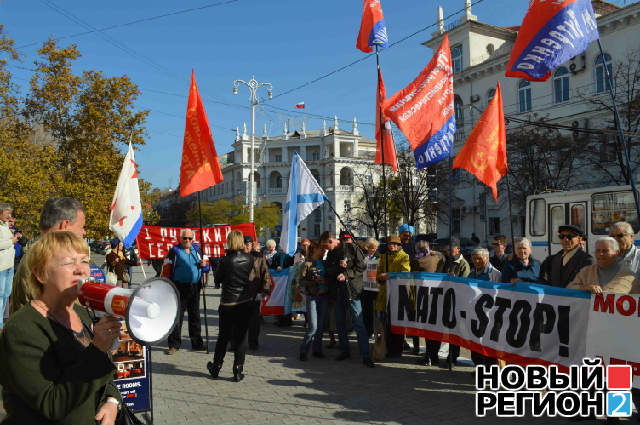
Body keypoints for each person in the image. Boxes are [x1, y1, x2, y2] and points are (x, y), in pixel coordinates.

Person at [0, 231, 122, 424]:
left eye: (84, 261)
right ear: (40, 273)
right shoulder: (22, 329)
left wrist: (112, 400)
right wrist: (98, 348)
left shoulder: (82, 314)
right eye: (68, 262)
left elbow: (103, 372)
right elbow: (51, 404)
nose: (81, 270)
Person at [208, 230, 270, 381]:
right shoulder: (249, 259)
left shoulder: (225, 260)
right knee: (241, 337)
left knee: (224, 336)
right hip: (244, 301)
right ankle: (237, 369)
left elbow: (217, 279)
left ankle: (216, 366)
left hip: (228, 302)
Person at [10, 197, 86, 316]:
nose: (84, 233)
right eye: (81, 227)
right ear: (65, 225)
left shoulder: (38, 254)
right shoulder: (43, 258)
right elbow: (64, 311)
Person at [329, 231, 374, 367]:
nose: (345, 241)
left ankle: (366, 355)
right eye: (343, 239)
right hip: (338, 292)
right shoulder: (333, 252)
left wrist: (347, 273)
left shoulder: (354, 249)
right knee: (340, 323)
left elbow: (362, 267)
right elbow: (329, 269)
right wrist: (338, 267)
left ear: (351, 239)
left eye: (347, 239)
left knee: (358, 323)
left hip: (352, 291)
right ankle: (345, 350)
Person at [162, 228, 209, 354]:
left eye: (190, 238)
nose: (187, 240)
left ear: (192, 239)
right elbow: (166, 270)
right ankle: (174, 344)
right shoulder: (174, 251)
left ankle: (197, 343)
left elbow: (207, 266)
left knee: (195, 316)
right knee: (177, 316)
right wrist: (166, 286)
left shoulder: (197, 250)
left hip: (195, 286)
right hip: (179, 287)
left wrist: (205, 266)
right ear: (180, 238)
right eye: (185, 238)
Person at [375, 235, 411, 357]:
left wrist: (389, 275)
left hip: (397, 295)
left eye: (394, 244)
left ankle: (396, 350)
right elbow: (378, 274)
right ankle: (386, 347)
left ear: (399, 245)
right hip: (384, 295)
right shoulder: (383, 257)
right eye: (390, 244)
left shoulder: (404, 256)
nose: (392, 246)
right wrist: (380, 277)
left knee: (397, 324)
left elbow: (405, 274)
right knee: (385, 324)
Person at [412, 240, 446, 366]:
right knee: (434, 328)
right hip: (434, 296)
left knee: (429, 328)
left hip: (427, 297)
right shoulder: (438, 257)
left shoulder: (417, 260)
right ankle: (432, 355)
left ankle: (430, 355)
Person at [567, 237, 640, 294]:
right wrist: (586, 287)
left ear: (616, 252)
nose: (600, 254)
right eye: (598, 250)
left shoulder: (628, 275)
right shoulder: (586, 272)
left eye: (605, 251)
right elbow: (569, 289)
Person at [468, 247, 501, 367]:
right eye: (474, 259)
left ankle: (491, 370)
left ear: (486, 259)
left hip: (489, 315)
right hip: (474, 314)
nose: (476, 261)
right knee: (475, 344)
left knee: (488, 345)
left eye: (479, 259)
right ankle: (479, 367)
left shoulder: (495, 274)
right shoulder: (472, 273)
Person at [441, 238, 470, 365]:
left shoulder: (463, 264)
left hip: (458, 301)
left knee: (456, 329)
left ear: (458, 249)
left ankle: (453, 356)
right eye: (447, 250)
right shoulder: (446, 262)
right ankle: (450, 354)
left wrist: (455, 280)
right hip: (447, 299)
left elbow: (465, 283)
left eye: (451, 249)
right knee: (449, 329)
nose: (448, 252)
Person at [299, 242, 329, 360]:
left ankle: (317, 350)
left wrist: (324, 280)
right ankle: (304, 350)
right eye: (320, 249)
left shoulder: (325, 263)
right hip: (312, 296)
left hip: (324, 296)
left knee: (320, 326)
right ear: (314, 250)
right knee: (313, 327)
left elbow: (329, 278)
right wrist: (315, 282)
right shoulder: (306, 264)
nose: (322, 251)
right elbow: (301, 282)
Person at [246, 236, 270, 350]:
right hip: (241, 294)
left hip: (255, 293)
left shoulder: (260, 259)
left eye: (249, 244)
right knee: (239, 320)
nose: (247, 246)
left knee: (255, 320)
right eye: (245, 244)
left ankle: (253, 342)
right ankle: (235, 342)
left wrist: (265, 289)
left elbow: (266, 274)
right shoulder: (239, 257)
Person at [0, 203, 16, 328]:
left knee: (6, 294)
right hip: (1, 266)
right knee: (0, 295)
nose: (10, 216)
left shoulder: (5, 226)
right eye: (7, 213)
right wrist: (11, 241)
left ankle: (1, 322)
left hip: (9, 265)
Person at [361, 237, 379, 339]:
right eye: (371, 247)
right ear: (367, 248)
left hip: (376, 288)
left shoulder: (380, 257)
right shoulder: (363, 257)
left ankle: (376, 331)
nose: (373, 249)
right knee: (367, 311)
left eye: (375, 247)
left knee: (376, 312)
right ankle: (368, 331)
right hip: (366, 288)